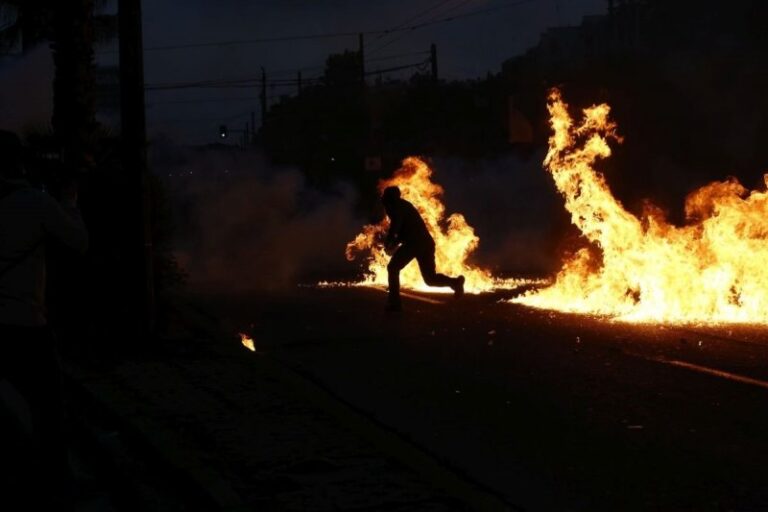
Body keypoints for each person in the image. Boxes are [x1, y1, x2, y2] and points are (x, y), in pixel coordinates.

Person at [0, 130, 88, 504]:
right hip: (26, 324)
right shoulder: (35, 203)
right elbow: (79, 242)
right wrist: (68, 201)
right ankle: (53, 485)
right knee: (49, 409)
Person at [382, 186, 464, 311]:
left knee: (393, 267)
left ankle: (394, 304)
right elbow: (404, 229)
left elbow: (396, 227)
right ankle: (455, 283)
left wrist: (389, 242)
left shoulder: (398, 207)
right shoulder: (403, 206)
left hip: (414, 243)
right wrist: (393, 242)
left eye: (386, 198)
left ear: (391, 198)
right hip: (426, 243)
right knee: (430, 279)